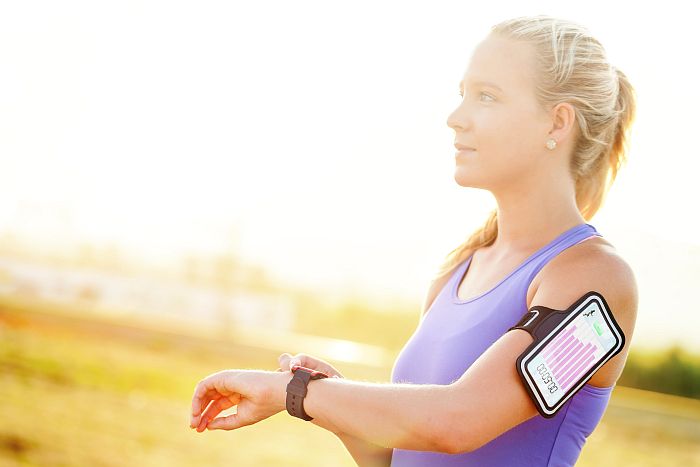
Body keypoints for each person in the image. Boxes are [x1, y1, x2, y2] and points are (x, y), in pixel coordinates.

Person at [189, 14, 638, 467]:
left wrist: (298, 392)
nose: (455, 118)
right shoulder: (457, 269)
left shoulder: (596, 280)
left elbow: (459, 423)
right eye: (462, 94)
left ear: (557, 123)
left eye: (487, 96)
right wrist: (331, 402)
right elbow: (396, 458)